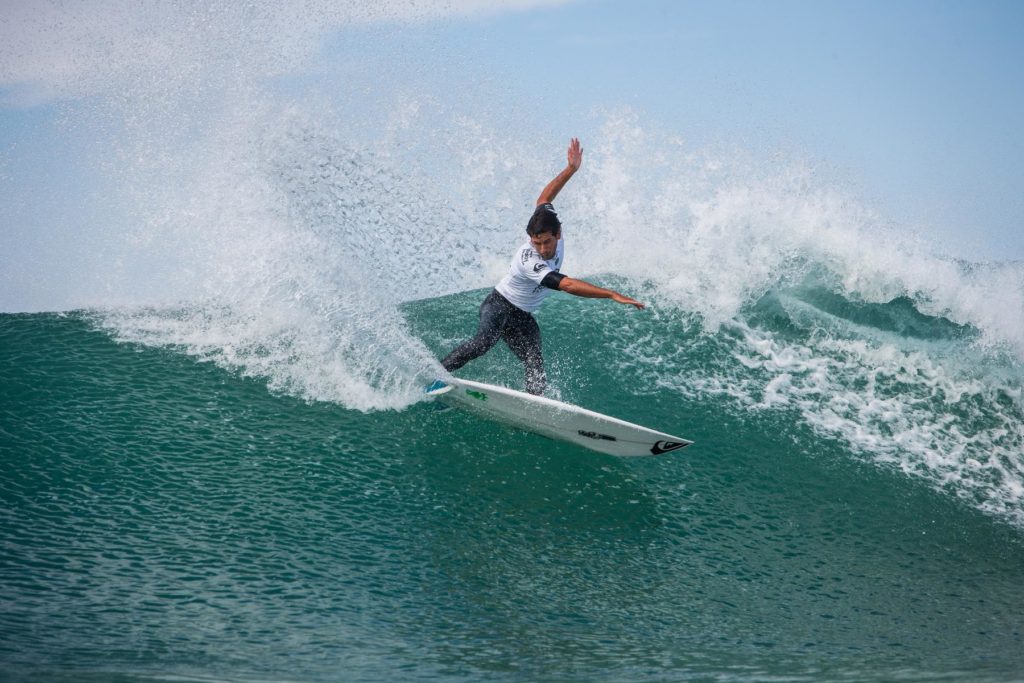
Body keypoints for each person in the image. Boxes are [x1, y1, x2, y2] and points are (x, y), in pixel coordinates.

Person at [431, 137, 645, 396]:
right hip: (499, 305)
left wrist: (571, 169)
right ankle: (436, 378)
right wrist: (611, 294)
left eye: (546, 242)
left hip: (522, 314)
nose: (542, 249)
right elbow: (566, 284)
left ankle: (533, 405)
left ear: (558, 233)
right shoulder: (528, 259)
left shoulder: (553, 227)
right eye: (536, 243)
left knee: (534, 362)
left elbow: (544, 197)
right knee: (482, 343)